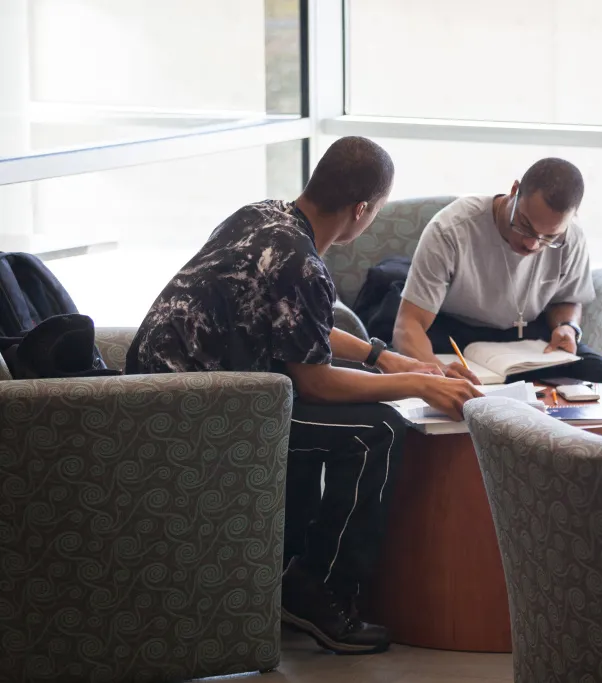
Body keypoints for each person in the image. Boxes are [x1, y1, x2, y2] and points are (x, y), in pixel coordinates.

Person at [124, 136, 481, 655]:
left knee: (346, 414)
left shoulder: (262, 216)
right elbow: (316, 382)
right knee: (375, 430)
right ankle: (318, 590)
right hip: (195, 410)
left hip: (155, 390)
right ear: (362, 209)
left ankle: (294, 573)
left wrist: (382, 357)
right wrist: (421, 383)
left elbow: (294, 321)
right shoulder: (302, 263)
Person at [392, 158, 602, 385]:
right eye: (525, 225)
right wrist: (439, 374)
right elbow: (408, 326)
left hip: (526, 339)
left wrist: (567, 327)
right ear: (514, 191)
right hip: (451, 331)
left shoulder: (571, 237)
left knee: (601, 372)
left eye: (549, 237)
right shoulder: (451, 229)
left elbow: (567, 299)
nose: (532, 244)